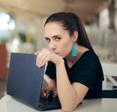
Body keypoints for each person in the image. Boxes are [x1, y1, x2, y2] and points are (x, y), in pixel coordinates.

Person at [35, 12, 104, 111]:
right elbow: (53, 82)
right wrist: (51, 86)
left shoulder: (89, 60)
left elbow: (68, 107)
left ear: (74, 36)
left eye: (57, 38)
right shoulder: (59, 53)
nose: (51, 46)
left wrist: (59, 63)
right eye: (48, 40)